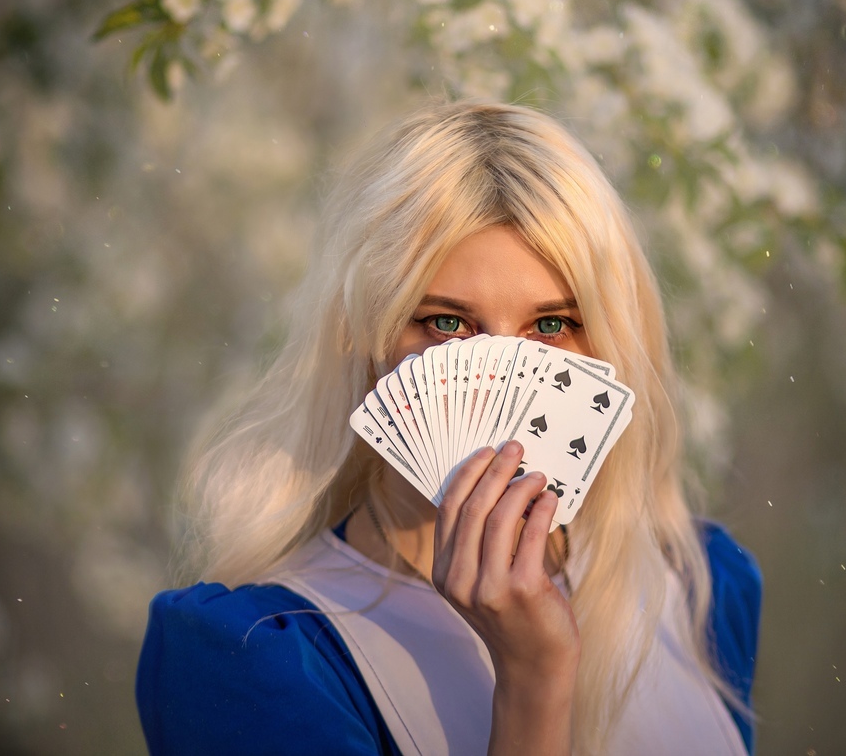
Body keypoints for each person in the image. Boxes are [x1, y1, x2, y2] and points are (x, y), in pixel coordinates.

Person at [136, 100, 762, 755]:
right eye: (447, 323)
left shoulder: (698, 586)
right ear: (360, 333)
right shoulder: (249, 655)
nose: (501, 372)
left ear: (608, 346)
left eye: (551, 325)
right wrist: (532, 682)